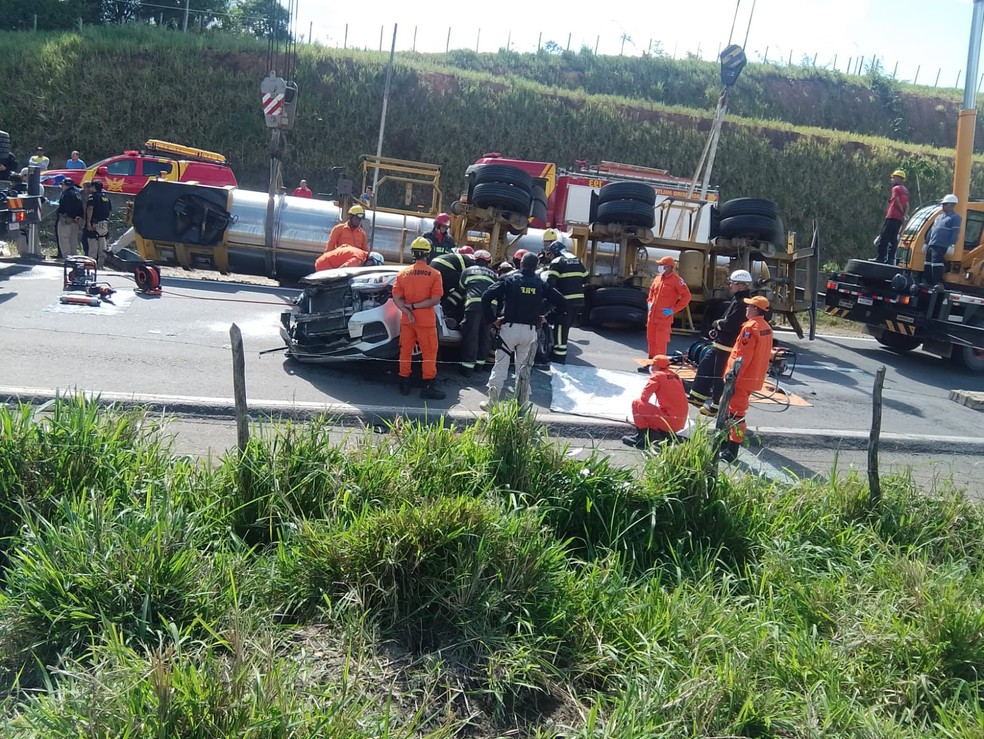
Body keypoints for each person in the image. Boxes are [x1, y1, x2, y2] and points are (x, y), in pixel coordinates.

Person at [481, 252, 567, 410]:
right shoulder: (541, 284)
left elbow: (486, 296)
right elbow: (562, 302)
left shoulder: (510, 279)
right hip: (530, 332)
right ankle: (522, 406)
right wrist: (547, 318)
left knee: (500, 366)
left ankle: (491, 403)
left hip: (509, 330)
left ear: (521, 264)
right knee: (524, 369)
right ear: (537, 267)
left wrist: (492, 320)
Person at [688, 269, 753, 414]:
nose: (730, 285)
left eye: (732, 283)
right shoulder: (737, 299)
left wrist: (717, 324)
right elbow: (726, 319)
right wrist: (716, 330)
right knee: (705, 365)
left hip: (727, 346)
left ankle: (716, 406)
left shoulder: (743, 303)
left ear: (741, 285)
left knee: (719, 376)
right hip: (720, 342)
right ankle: (697, 396)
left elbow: (730, 324)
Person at [391, 237, 446, 400]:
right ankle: (428, 386)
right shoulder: (435, 274)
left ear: (413, 253)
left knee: (405, 351)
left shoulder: (403, 273)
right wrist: (414, 308)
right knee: (429, 353)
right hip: (426, 321)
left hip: (407, 320)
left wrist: (407, 311)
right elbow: (435, 299)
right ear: (427, 254)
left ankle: (404, 383)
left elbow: (396, 297)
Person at [720, 295, 774, 462]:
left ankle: (731, 451)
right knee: (736, 412)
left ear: (756, 309)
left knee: (736, 414)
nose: (746, 308)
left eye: (749, 306)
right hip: (753, 377)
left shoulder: (750, 328)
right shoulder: (766, 328)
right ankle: (727, 445)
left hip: (741, 378)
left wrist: (733, 377)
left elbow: (743, 356)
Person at [622, 355, 689, 448]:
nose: (651, 367)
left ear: (657, 366)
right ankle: (664, 434)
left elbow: (644, 397)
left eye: (653, 364)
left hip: (668, 421)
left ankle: (642, 438)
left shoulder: (657, 375)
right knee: (658, 409)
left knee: (637, 403)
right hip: (680, 422)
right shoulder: (675, 375)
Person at [542, 233, 587, 363]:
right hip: (578, 301)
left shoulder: (557, 262)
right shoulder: (576, 259)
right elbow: (585, 277)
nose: (549, 257)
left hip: (565, 300)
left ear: (554, 252)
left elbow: (551, 283)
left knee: (560, 326)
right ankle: (559, 353)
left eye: (549, 254)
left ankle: (559, 356)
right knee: (566, 326)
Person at [642, 255, 691, 371]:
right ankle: (651, 364)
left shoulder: (677, 281)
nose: (659, 267)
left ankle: (659, 366)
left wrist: (673, 310)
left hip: (663, 319)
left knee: (660, 343)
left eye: (661, 265)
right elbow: (651, 292)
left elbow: (687, 297)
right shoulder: (658, 278)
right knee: (651, 341)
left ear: (669, 267)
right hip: (652, 317)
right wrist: (649, 302)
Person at [458, 249, 497, 376]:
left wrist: (449, 304)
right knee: (485, 336)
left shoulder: (468, 271)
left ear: (474, 260)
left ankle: (467, 369)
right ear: (489, 262)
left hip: (473, 307)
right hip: (490, 308)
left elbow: (461, 290)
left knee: (471, 336)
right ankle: (479, 366)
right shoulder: (494, 274)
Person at [923, 194, 961, 287]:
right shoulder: (939, 217)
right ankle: (927, 281)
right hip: (932, 244)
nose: (942, 206)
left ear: (951, 205)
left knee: (937, 264)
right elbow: (932, 231)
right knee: (928, 263)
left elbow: (955, 232)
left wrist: (952, 244)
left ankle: (938, 282)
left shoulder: (955, 218)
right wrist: (926, 243)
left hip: (941, 245)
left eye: (945, 204)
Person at [429, 249, 474, 321]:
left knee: (443, 291)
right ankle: (451, 311)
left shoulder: (457, 257)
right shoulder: (474, 263)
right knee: (462, 289)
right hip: (445, 268)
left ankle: (443, 311)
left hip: (433, 265)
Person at [875, 169, 909, 264]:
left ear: (898, 178)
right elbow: (907, 205)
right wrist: (903, 215)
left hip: (892, 216)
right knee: (893, 239)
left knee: (884, 236)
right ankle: (890, 259)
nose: (892, 180)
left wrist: (901, 212)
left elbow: (896, 200)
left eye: (893, 178)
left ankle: (880, 258)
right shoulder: (905, 190)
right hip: (898, 219)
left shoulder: (896, 188)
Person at [85, 179, 112, 269]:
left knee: (93, 244)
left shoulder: (93, 197)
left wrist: (88, 223)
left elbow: (90, 209)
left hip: (95, 224)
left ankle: (90, 266)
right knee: (102, 245)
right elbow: (110, 211)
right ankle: (100, 266)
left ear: (93, 187)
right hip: (104, 224)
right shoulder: (106, 197)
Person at [55, 177, 84, 260]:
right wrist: (78, 217)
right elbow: (80, 207)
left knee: (64, 238)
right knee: (73, 239)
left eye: (62, 184)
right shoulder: (77, 193)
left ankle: (67, 257)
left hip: (66, 219)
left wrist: (67, 216)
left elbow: (66, 207)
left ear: (65, 185)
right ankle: (73, 256)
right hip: (76, 220)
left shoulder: (66, 194)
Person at [314, 244, 380, 271]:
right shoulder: (358, 259)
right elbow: (342, 270)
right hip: (325, 265)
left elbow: (344, 246)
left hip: (324, 261)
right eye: (372, 264)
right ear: (370, 258)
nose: (371, 267)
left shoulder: (360, 253)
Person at [79, 182, 94, 257]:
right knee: (84, 238)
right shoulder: (82, 194)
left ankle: (90, 254)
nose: (84, 189)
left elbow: (90, 208)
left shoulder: (93, 196)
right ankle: (87, 253)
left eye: (85, 187)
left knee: (90, 239)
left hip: (92, 220)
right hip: (85, 219)